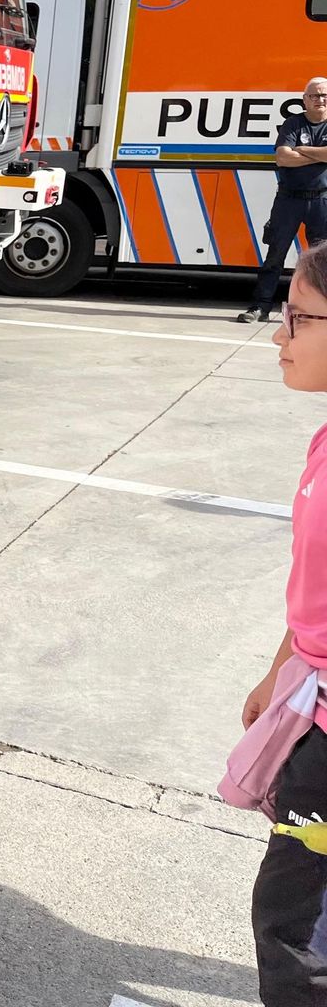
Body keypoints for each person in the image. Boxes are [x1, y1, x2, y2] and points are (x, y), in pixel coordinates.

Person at [227, 241, 327, 1003]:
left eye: (296, 318)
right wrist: (279, 671)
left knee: (294, 925)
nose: (278, 334)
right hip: (309, 701)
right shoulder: (323, 439)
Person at [239, 78, 327, 323]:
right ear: (305, 99)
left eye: (324, 95)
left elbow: (295, 154)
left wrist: (300, 149)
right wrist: (319, 155)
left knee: (322, 262)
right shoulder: (293, 123)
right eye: (315, 95)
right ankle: (260, 307)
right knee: (274, 256)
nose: (320, 100)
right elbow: (282, 158)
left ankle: (318, 312)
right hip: (288, 201)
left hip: (322, 201)